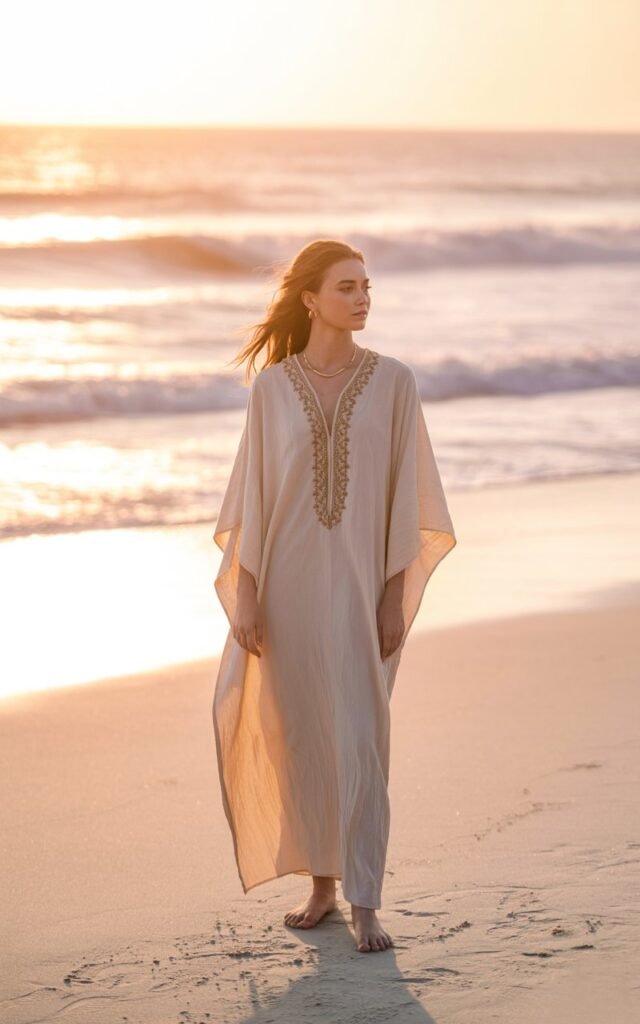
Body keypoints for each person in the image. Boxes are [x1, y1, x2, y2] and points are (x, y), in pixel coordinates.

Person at [212, 239, 456, 953]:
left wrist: (392, 596)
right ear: (311, 299)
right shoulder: (270, 390)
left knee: (360, 736)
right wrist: (247, 593)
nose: (363, 298)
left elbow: (407, 499)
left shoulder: (395, 382)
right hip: (283, 586)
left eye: (367, 286)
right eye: (347, 287)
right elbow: (254, 501)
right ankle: (322, 885)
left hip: (357, 588)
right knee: (299, 737)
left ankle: (366, 898)